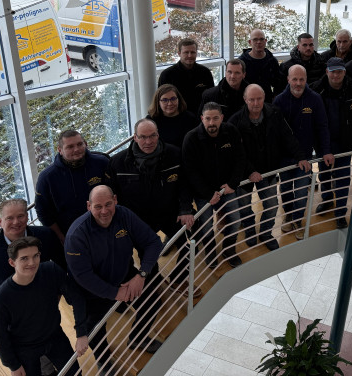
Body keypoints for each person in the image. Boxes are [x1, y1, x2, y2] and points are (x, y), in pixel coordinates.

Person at [65, 186, 164, 372]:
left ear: (115, 200)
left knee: (152, 301)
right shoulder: (76, 234)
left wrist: (141, 274)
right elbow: (82, 276)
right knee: (96, 329)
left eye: (108, 204)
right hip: (92, 290)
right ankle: (103, 360)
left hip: (124, 275)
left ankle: (138, 338)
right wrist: (114, 293)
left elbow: (153, 242)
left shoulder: (124, 215)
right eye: (98, 206)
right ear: (88, 206)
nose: (104, 211)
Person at [105, 119, 198, 298]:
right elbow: (113, 196)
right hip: (138, 219)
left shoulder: (174, 154)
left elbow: (184, 184)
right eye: (143, 137)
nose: (148, 142)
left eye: (152, 136)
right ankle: (154, 283)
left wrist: (186, 209)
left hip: (170, 212)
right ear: (135, 137)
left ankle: (178, 278)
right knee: (147, 255)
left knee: (192, 239)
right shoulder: (117, 162)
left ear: (158, 135)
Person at [0, 237, 88, 376]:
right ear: (12, 262)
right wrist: (13, 365)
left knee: (75, 373)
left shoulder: (51, 270)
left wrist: (81, 332)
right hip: (25, 348)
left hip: (55, 337)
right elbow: (0, 336)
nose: (32, 263)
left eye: (35, 256)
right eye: (24, 258)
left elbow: (77, 298)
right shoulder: (0, 298)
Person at [228, 84, 306, 251]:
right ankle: (250, 230)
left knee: (271, 205)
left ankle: (265, 233)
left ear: (264, 98)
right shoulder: (234, 121)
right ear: (245, 99)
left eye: (259, 99)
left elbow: (287, 136)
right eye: (252, 99)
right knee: (244, 206)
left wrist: (300, 156)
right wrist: (250, 171)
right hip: (244, 174)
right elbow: (235, 153)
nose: (256, 103)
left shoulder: (275, 113)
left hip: (268, 171)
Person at [0, 199, 64, 318]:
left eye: (20, 216)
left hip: (48, 308)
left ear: (27, 217)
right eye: (9, 218)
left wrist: (57, 294)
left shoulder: (46, 235)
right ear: (0, 221)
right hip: (12, 315)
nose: (16, 222)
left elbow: (62, 263)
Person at [273, 65, 333, 240]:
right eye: (294, 79)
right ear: (288, 80)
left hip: (305, 157)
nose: (298, 83)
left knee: (300, 192)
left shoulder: (315, 99)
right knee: (285, 190)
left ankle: (297, 221)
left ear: (306, 80)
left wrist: (326, 151)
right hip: (284, 158)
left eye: (301, 79)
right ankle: (288, 215)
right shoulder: (279, 101)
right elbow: (275, 133)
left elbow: (322, 127)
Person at [182, 102, 245, 268]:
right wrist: (208, 193)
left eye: (215, 118)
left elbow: (240, 159)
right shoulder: (191, 138)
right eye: (208, 118)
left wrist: (232, 184)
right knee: (206, 226)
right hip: (203, 194)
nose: (211, 123)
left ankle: (229, 249)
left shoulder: (231, 131)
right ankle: (210, 251)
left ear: (222, 118)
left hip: (227, 189)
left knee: (235, 220)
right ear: (202, 118)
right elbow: (190, 172)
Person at [310, 58, 352, 228]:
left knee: (343, 178)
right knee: (324, 174)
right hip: (322, 142)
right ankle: (327, 199)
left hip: (345, 143)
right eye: (333, 71)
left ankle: (340, 212)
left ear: (344, 72)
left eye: (339, 71)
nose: (336, 75)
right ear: (326, 71)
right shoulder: (315, 89)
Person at [35, 130, 109, 244]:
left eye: (79, 144)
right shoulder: (47, 177)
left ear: (85, 144)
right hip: (72, 236)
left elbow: (116, 193)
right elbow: (43, 212)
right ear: (60, 150)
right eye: (70, 147)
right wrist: (61, 237)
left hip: (107, 229)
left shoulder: (102, 163)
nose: (76, 149)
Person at [158, 38, 215, 115]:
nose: (190, 55)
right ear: (179, 53)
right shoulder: (167, 75)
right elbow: (162, 101)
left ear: (196, 53)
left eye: (193, 52)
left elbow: (211, 98)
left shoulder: (205, 72)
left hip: (201, 116)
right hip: (178, 117)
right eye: (186, 52)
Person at [146, 84, 198, 148]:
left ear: (178, 99)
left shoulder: (190, 118)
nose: (170, 103)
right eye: (165, 100)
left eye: (173, 99)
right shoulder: (150, 121)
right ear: (158, 102)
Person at [239, 29, 280, 102]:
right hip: (247, 102)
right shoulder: (242, 62)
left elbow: (278, 83)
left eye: (261, 39)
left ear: (265, 41)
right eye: (255, 39)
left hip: (267, 101)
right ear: (250, 42)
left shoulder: (272, 61)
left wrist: (275, 98)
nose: (259, 42)